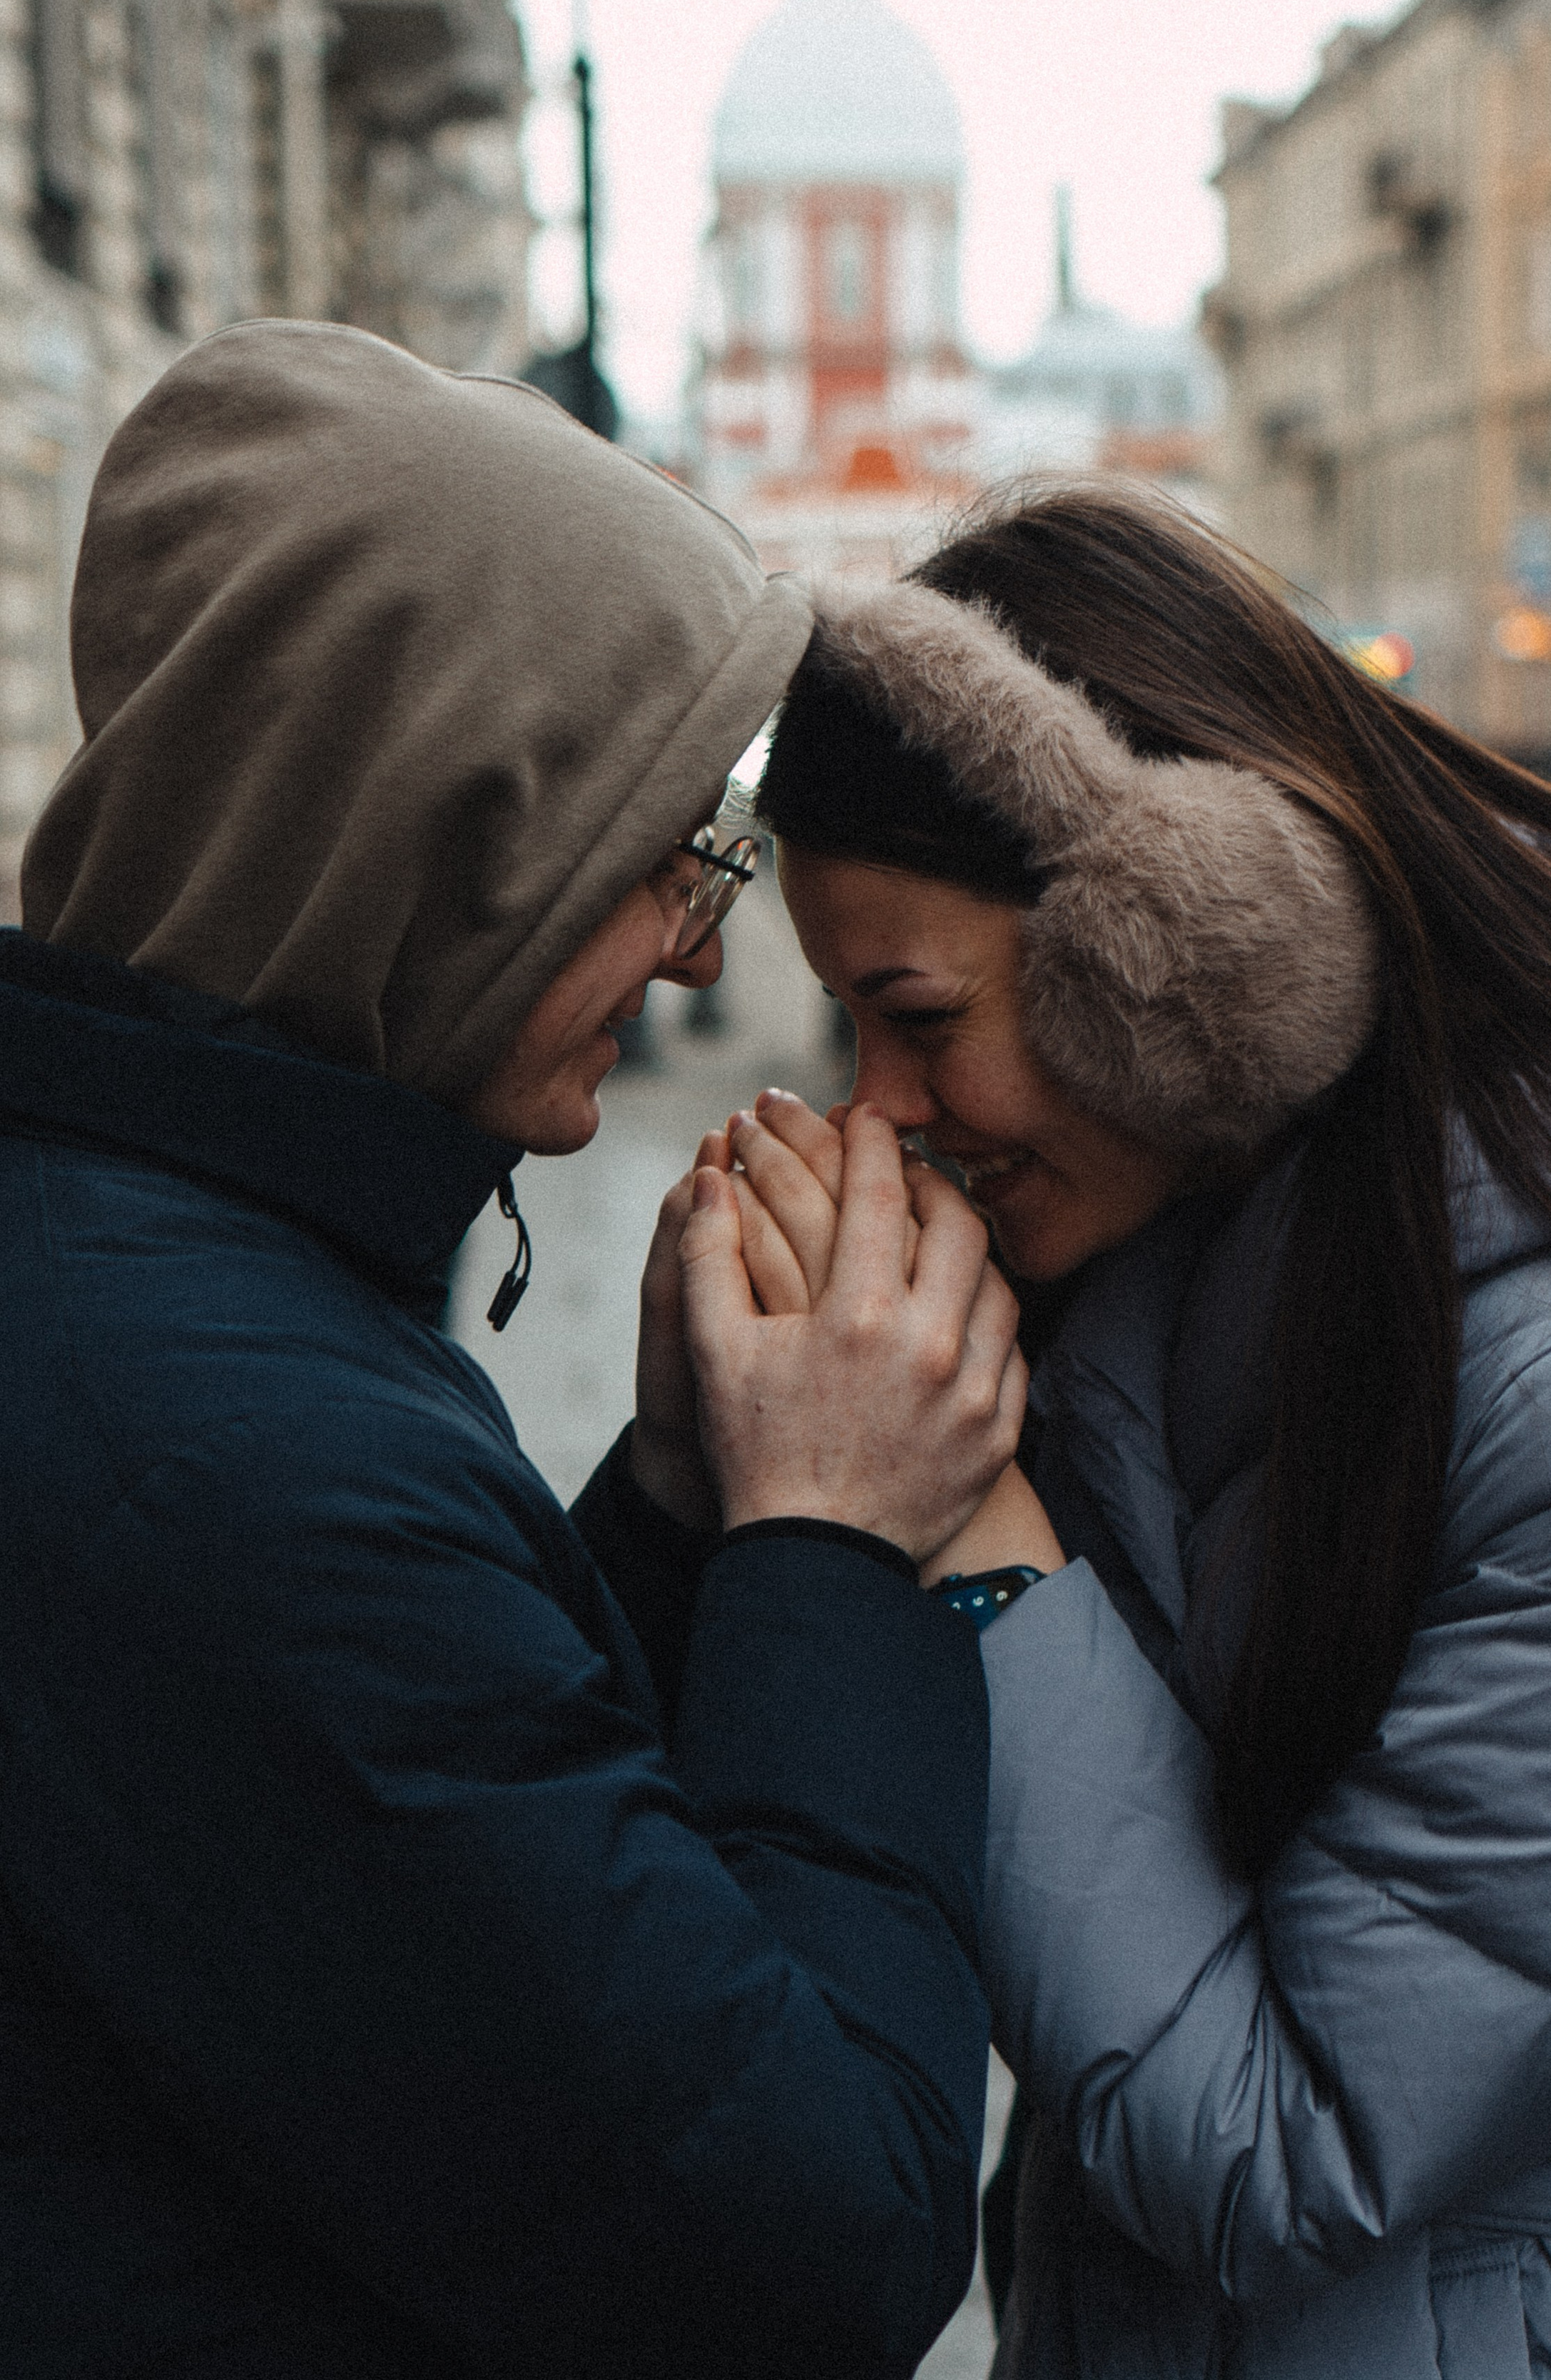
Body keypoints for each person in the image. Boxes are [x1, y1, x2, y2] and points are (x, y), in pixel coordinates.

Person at [0, 319, 1029, 2380]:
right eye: (666, 856)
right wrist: (833, 1537)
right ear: (452, 850)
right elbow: (801, 2246)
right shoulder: (239, 1450)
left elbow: (467, 1883)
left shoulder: (162, 1257)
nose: (706, 950)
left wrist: (667, 1500)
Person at [717, 479, 1551, 2379]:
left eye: (915, 1018)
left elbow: (1281, 2148)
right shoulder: (1191, 1217)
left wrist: (961, 1515)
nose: (881, 1110)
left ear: (1193, 948)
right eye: (847, 1031)